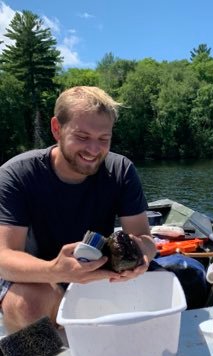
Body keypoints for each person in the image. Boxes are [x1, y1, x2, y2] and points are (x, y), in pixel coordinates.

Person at [0, 86, 156, 333]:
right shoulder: (17, 175)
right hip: (37, 274)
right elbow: (4, 258)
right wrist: (54, 270)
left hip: (97, 272)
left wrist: (141, 258)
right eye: (82, 137)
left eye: (103, 139)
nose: (94, 150)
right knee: (28, 305)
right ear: (56, 129)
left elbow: (145, 239)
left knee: (162, 287)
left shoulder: (121, 170)